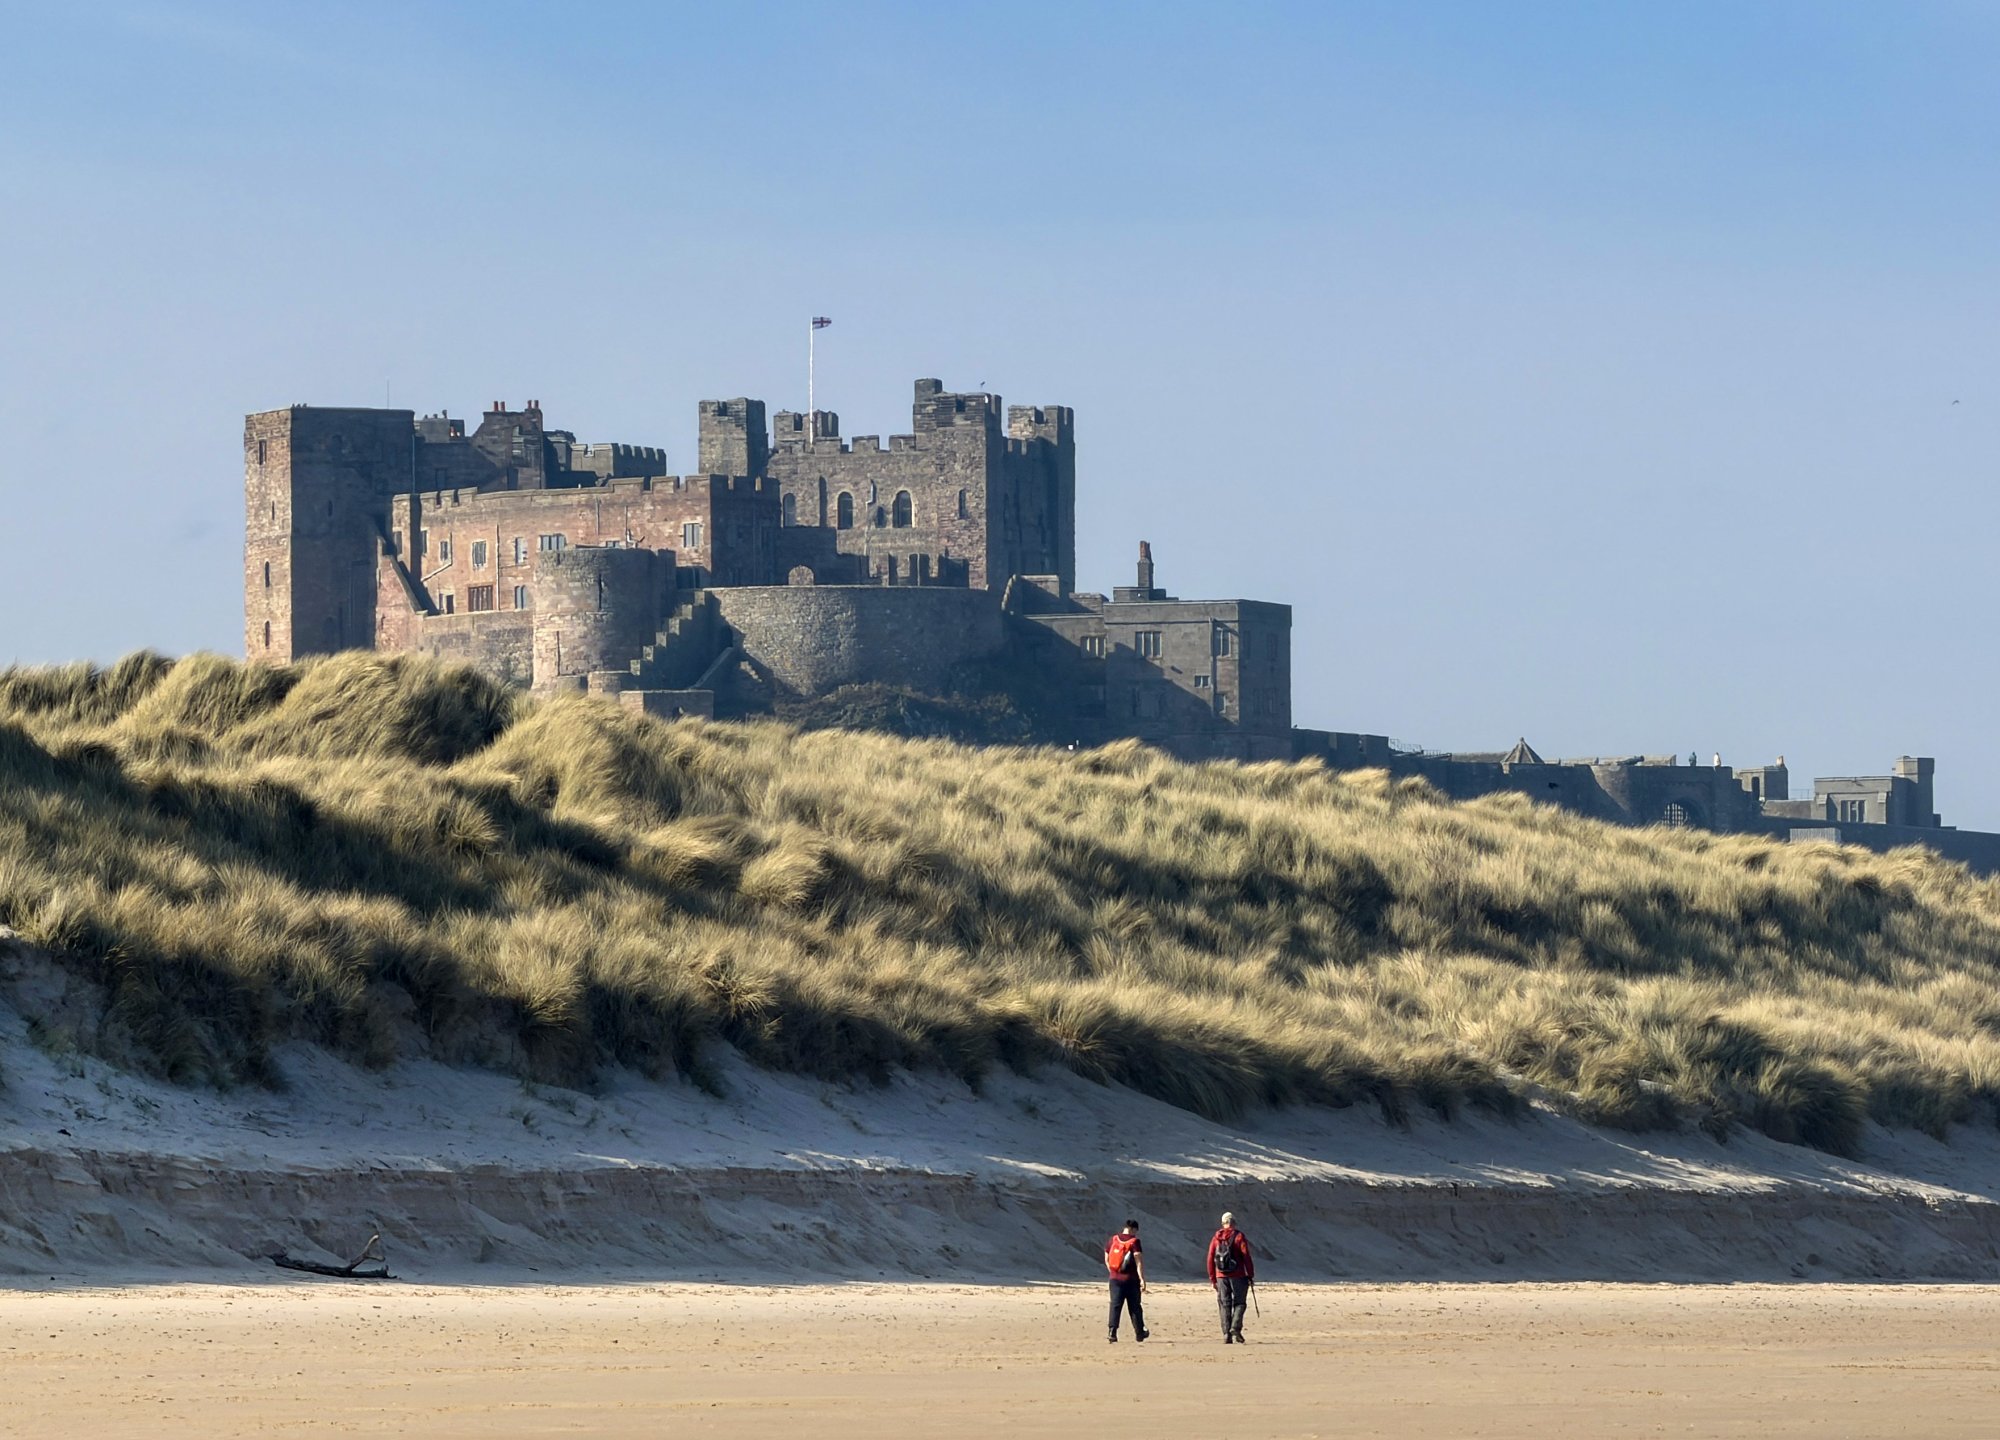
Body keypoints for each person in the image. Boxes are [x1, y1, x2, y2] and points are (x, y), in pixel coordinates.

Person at [1207, 1210, 1255, 1344]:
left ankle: (1226, 1335)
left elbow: (1210, 1258)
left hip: (1221, 1276)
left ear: (1223, 1224)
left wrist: (1212, 1278)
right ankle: (1235, 1327)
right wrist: (1250, 1274)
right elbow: (1246, 1256)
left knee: (1224, 1304)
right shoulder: (1239, 1236)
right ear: (1233, 1223)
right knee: (1240, 1303)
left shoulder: (1216, 1238)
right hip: (1238, 1275)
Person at [1104, 1218, 1149, 1343]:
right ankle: (1139, 1333)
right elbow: (1138, 1261)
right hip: (1131, 1280)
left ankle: (1112, 1333)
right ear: (1133, 1229)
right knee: (1134, 1307)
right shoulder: (1135, 1241)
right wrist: (1142, 1279)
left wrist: (1113, 1272)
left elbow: (1107, 1258)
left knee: (1115, 1305)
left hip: (1114, 1279)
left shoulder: (1113, 1239)